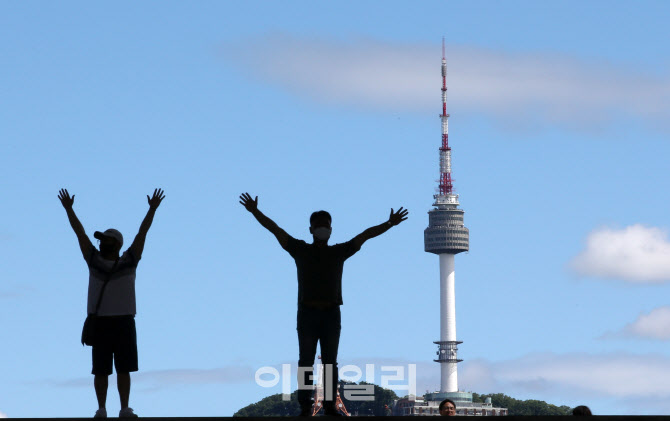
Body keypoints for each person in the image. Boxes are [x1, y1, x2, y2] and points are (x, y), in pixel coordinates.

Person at [239, 193, 408, 416]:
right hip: (307, 312)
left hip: (331, 313)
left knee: (330, 363)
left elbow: (365, 235)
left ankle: (329, 406)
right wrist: (255, 211)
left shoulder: (339, 251)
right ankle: (305, 406)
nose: (322, 228)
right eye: (318, 225)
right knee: (306, 361)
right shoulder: (300, 249)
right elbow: (275, 229)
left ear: (331, 229)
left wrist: (389, 224)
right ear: (310, 229)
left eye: (325, 225)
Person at [58, 188, 165, 418]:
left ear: (116, 243)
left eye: (105, 239)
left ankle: (124, 408)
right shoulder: (93, 260)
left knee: (124, 368)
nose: (100, 242)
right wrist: (69, 209)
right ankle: (102, 409)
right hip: (102, 322)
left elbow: (141, 234)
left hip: (124, 320)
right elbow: (80, 234)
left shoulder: (130, 259)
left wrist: (152, 210)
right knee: (101, 371)